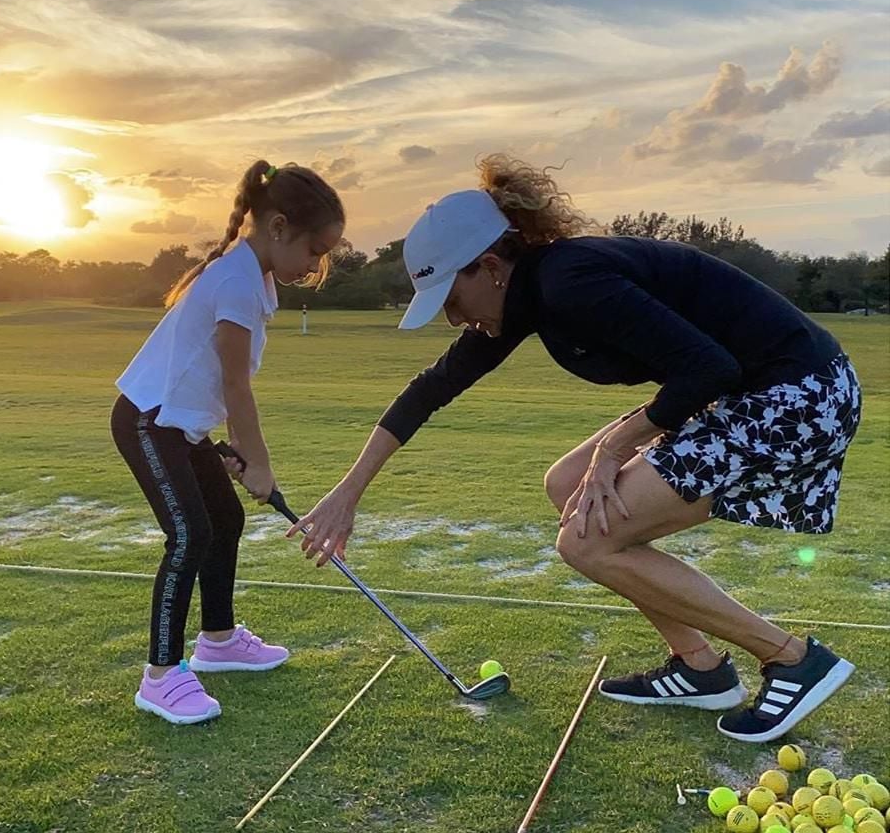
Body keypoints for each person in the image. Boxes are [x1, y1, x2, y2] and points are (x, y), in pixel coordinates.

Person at [287, 154, 861, 743]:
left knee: (586, 542)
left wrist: (614, 450)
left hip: (799, 397)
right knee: (566, 485)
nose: (452, 319)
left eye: (450, 301)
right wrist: (346, 496)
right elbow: (430, 390)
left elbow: (708, 368)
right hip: (748, 392)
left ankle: (792, 657)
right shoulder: (524, 296)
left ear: (488, 267)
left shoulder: (572, 280)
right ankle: (700, 668)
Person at [111, 160, 344, 724]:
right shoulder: (236, 280)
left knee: (225, 520)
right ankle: (161, 676)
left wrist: (229, 445)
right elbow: (236, 383)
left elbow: (217, 383)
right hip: (147, 422)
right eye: (315, 250)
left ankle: (217, 640)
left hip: (183, 426)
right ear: (279, 226)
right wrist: (258, 462)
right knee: (189, 534)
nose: (317, 265)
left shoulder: (254, 276)